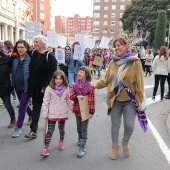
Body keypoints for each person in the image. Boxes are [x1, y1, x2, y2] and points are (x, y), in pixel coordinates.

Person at [95, 37, 144, 160]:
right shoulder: (112, 62)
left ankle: (125, 142)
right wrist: (95, 85)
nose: (116, 48)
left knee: (129, 126)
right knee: (115, 125)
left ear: (126, 46)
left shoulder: (135, 62)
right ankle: (114, 147)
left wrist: (139, 101)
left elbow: (140, 84)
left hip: (129, 101)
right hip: (115, 100)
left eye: (119, 45)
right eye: (115, 46)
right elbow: (107, 80)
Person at [25, 35, 57, 139]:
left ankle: (51, 129)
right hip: (34, 87)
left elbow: (52, 74)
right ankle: (33, 130)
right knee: (36, 108)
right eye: (34, 42)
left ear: (43, 43)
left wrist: (45, 86)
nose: (34, 44)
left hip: (45, 89)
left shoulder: (50, 57)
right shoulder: (33, 53)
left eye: (36, 42)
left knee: (48, 109)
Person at [40, 70, 72, 156]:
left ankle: (61, 141)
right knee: (50, 131)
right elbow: (45, 101)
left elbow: (68, 100)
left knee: (62, 129)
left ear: (63, 79)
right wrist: (45, 113)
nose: (58, 80)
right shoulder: (49, 89)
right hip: (52, 113)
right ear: (53, 79)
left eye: (60, 79)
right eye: (56, 78)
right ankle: (46, 148)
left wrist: (73, 108)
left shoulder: (66, 88)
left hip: (62, 113)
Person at [70, 66, 95, 158]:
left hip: (86, 111)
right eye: (79, 72)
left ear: (86, 74)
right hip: (77, 110)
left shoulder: (90, 86)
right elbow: (71, 95)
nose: (79, 73)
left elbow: (92, 99)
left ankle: (83, 147)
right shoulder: (74, 85)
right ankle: (80, 139)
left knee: (84, 128)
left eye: (81, 72)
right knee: (78, 127)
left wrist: (91, 112)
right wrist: (76, 96)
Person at [11, 40, 32, 138]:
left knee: (22, 107)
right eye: (18, 47)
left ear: (26, 48)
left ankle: (18, 128)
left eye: (21, 47)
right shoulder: (14, 59)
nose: (19, 49)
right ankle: (31, 115)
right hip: (17, 86)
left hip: (26, 87)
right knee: (24, 104)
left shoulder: (30, 59)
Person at [0, 43, 16, 128]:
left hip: (4, 86)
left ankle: (13, 119)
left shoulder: (7, 59)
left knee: (7, 105)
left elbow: (14, 69)